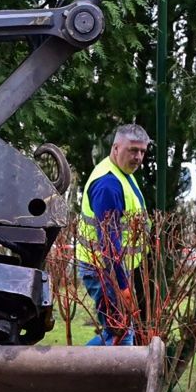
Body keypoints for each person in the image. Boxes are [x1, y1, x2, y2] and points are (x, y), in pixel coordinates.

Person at [75, 124, 150, 345]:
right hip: (104, 269)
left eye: (142, 151)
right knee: (122, 334)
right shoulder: (108, 184)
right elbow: (109, 243)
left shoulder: (121, 173)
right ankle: (72, 364)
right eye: (133, 150)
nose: (138, 157)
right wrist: (122, 286)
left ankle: (71, 363)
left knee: (117, 333)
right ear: (116, 148)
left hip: (110, 269)